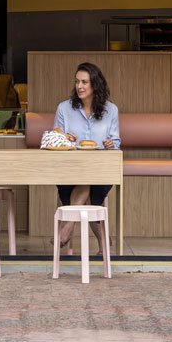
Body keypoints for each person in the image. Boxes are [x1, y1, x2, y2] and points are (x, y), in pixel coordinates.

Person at [54, 62, 120, 255]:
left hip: (101, 169)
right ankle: (104, 243)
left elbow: (116, 140)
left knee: (88, 181)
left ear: (95, 84)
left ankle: (67, 228)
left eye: (84, 82)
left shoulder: (111, 110)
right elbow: (55, 138)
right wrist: (64, 139)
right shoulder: (64, 108)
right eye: (77, 82)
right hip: (70, 169)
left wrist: (110, 143)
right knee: (88, 190)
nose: (79, 86)